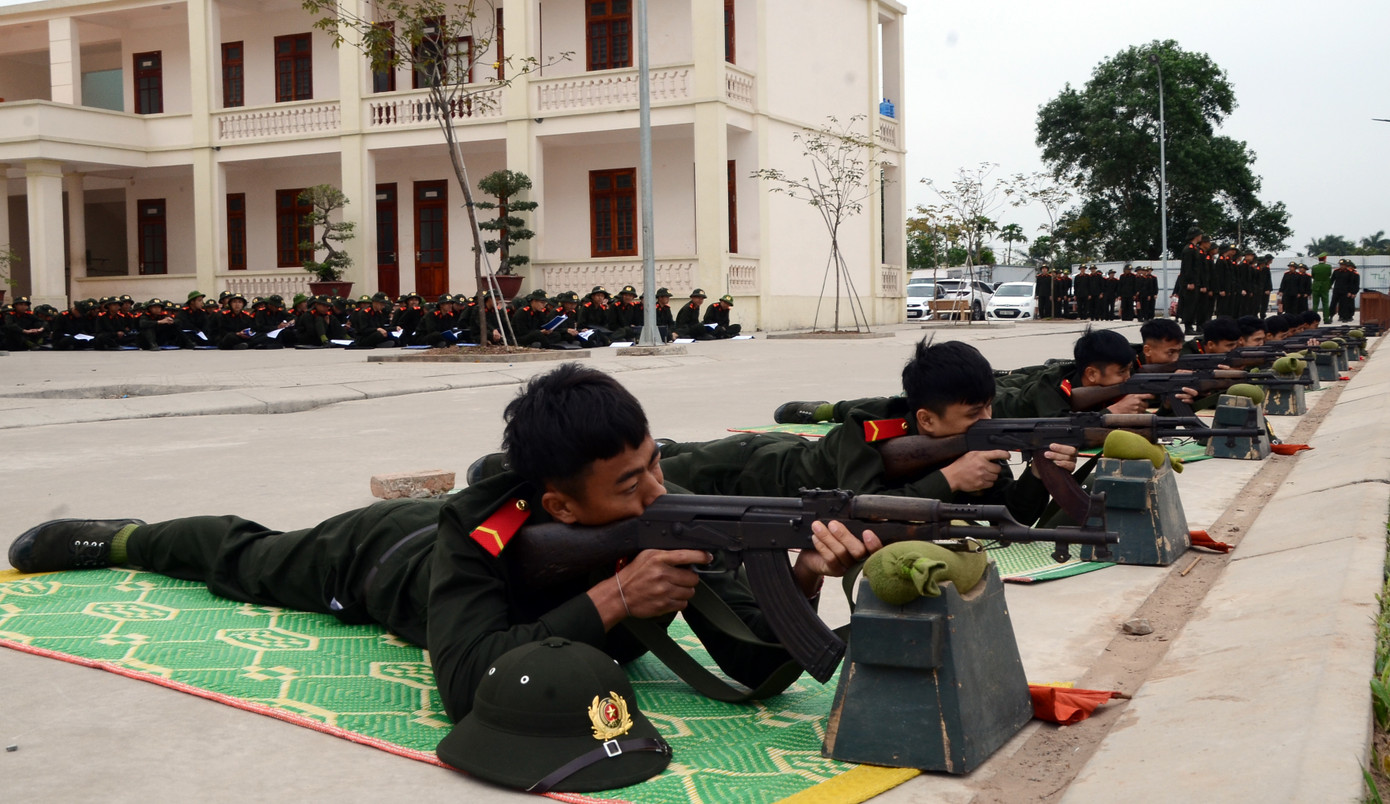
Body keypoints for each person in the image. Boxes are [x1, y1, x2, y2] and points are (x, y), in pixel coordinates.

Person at [7, 364, 878, 723]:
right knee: (250, 559)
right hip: (383, 557)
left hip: (508, 547)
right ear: (559, 504)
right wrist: (616, 598)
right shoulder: (476, 534)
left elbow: (755, 661)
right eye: (629, 484)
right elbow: (464, 685)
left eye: (654, 464)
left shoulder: (663, 504)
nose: (657, 491)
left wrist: (804, 575)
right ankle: (124, 537)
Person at [661, 340, 1078, 526]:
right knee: (657, 471)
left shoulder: (974, 441)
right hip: (750, 468)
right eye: (974, 412)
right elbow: (860, 510)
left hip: (785, 452)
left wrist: (1039, 474)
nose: (987, 418)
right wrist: (950, 479)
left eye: (988, 406)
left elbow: (1015, 515)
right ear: (927, 420)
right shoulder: (870, 426)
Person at [992, 328, 1159, 418]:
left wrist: (1166, 407)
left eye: (1129, 370)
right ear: (1092, 374)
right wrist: (1113, 411)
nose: (1128, 378)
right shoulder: (1053, 387)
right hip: (995, 398)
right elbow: (1064, 431)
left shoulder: (1100, 387)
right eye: (1121, 372)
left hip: (1029, 384)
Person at [1331, 259, 1360, 323]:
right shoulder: (1339, 272)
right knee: (1341, 304)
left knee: (1350, 304)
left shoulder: (1354, 274)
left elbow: (1355, 284)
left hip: (1350, 291)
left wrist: (1353, 292)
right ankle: (1340, 315)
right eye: (1348, 266)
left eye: (1350, 266)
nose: (1348, 267)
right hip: (1341, 291)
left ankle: (1349, 316)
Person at [1310, 253, 1333, 321]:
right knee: (1325, 304)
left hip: (1316, 287)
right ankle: (1326, 319)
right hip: (1325, 287)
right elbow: (1329, 275)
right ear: (1325, 259)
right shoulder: (1328, 267)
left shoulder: (1314, 267)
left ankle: (1313, 319)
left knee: (1315, 304)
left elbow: (1313, 276)